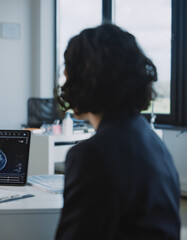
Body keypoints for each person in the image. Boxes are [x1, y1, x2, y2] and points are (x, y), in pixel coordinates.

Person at [55, 24, 180, 239]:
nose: (65, 83)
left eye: (68, 73)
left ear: (85, 79)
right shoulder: (151, 140)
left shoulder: (92, 155)